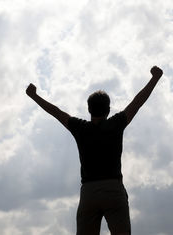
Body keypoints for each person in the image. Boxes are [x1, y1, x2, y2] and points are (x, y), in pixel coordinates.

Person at [26, 66, 163, 235]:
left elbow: (56, 112)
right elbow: (137, 102)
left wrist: (34, 96)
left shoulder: (80, 128)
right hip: (113, 189)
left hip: (89, 192)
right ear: (108, 109)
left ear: (89, 109)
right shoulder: (116, 123)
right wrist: (155, 78)